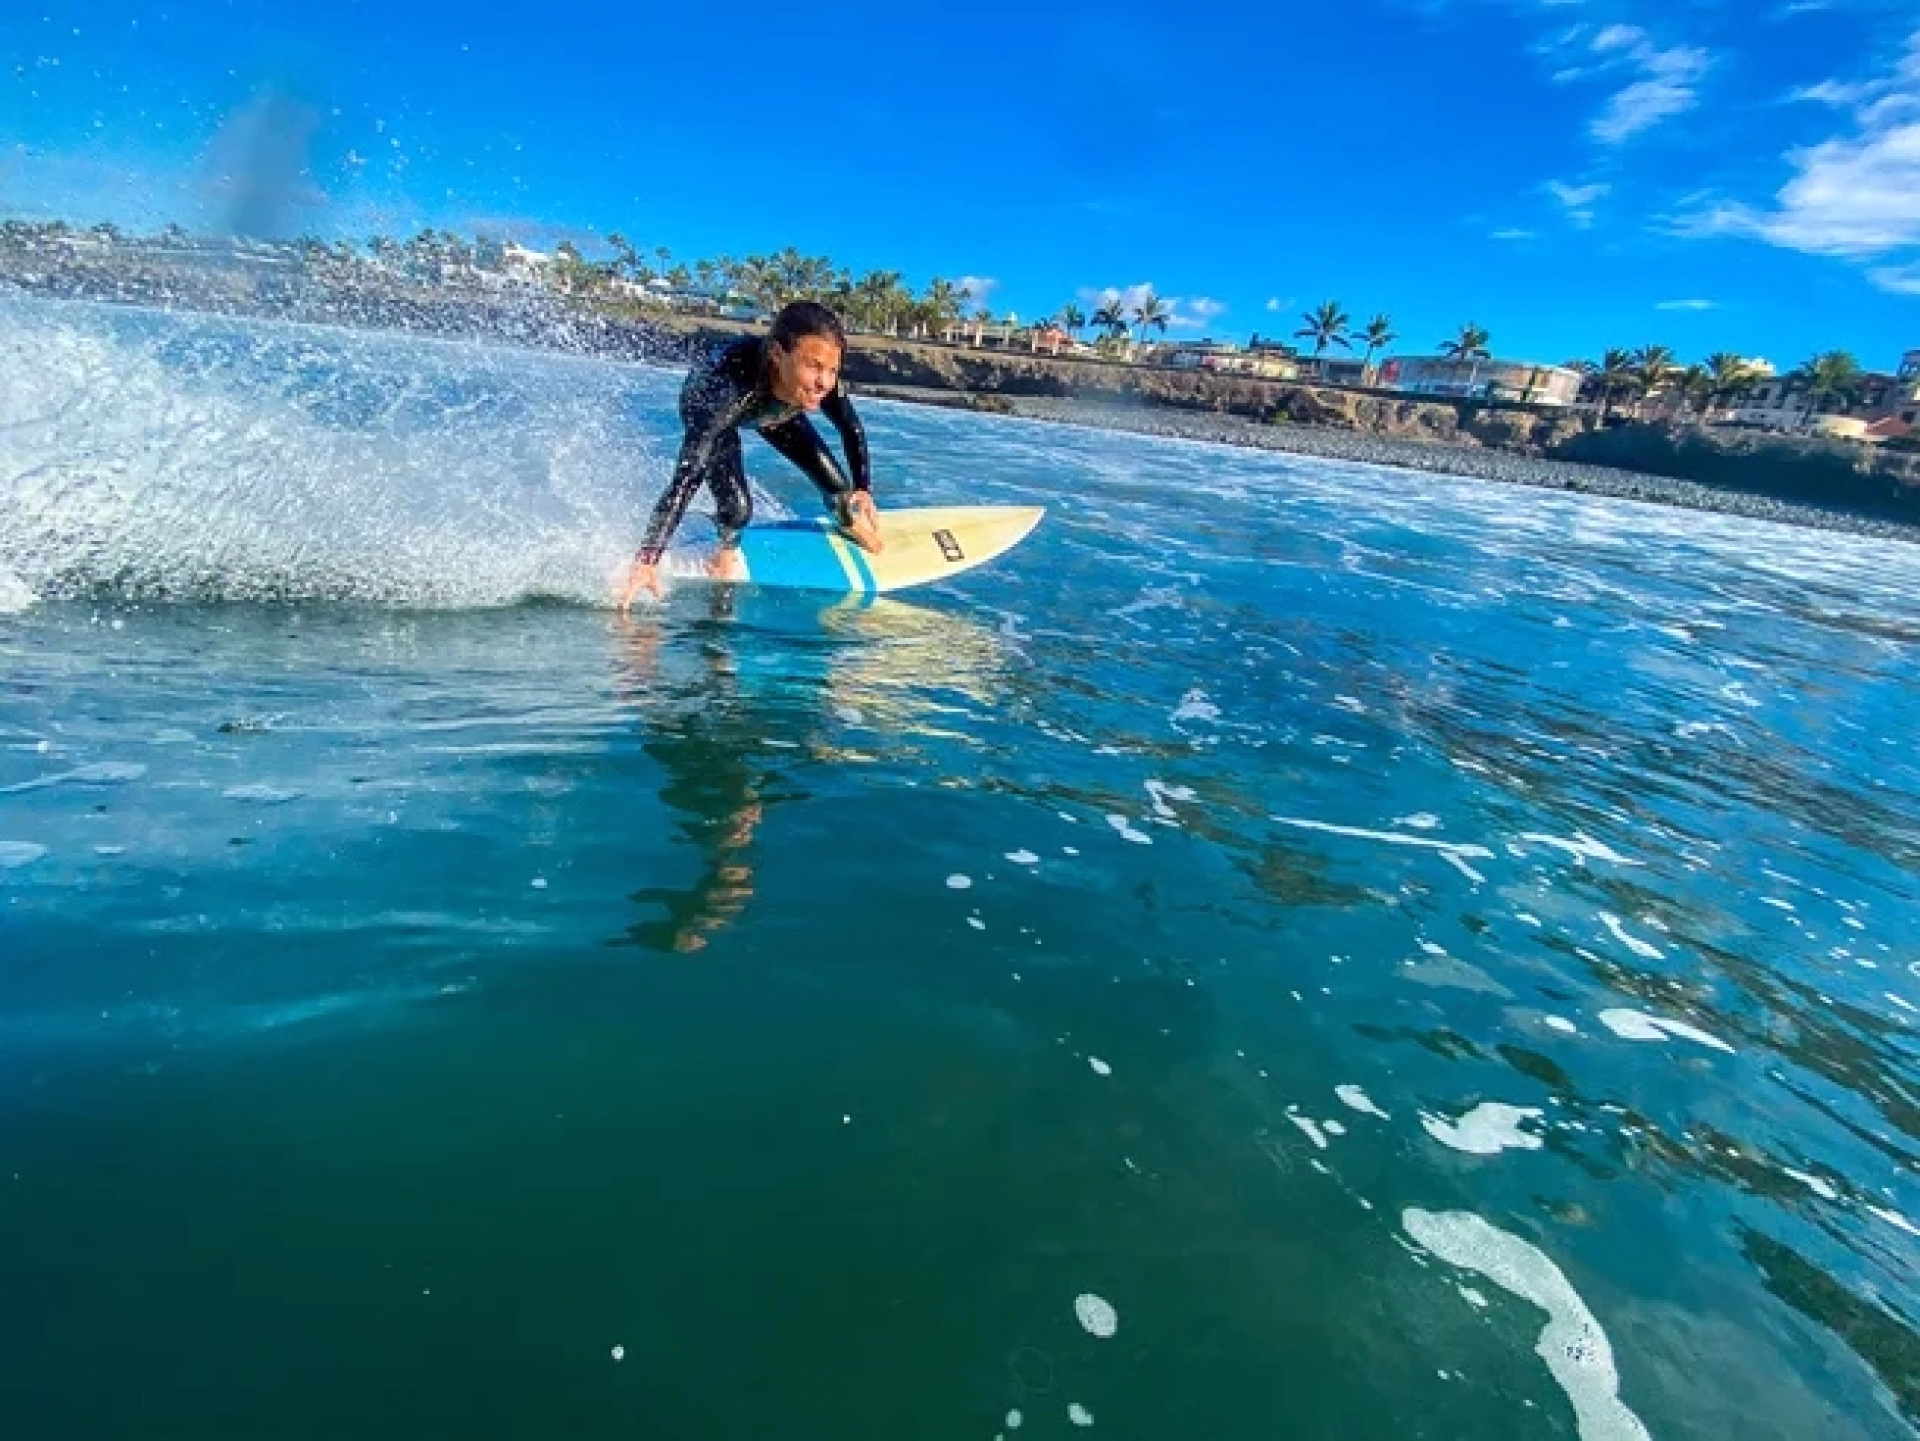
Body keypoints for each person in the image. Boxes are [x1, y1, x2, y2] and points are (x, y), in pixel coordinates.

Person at [619, 300, 883, 607]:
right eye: (813, 366)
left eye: (832, 369)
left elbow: (851, 428)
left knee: (841, 488)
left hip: (774, 409)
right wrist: (647, 559)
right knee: (738, 510)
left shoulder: (816, 384)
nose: (824, 381)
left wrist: (863, 487)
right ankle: (725, 549)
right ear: (777, 353)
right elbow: (687, 477)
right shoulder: (730, 390)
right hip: (709, 406)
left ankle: (846, 521)